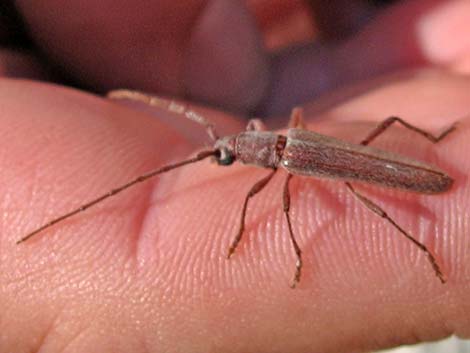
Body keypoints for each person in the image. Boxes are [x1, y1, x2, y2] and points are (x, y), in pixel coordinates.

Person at [0, 1, 468, 352]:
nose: (224, 154)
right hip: (338, 155)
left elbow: (272, 208)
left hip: (396, 172)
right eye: (226, 154)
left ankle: (425, 241)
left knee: (376, 206)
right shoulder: (284, 137)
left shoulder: (288, 157)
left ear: (248, 149)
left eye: (225, 154)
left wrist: (289, 251)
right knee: (377, 167)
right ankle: (437, 154)